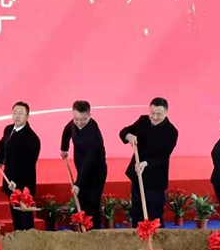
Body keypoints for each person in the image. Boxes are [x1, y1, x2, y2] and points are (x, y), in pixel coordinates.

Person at [120, 98, 179, 227]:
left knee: (154, 214)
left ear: (166, 112)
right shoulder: (143, 121)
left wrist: (146, 163)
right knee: (137, 212)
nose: (155, 117)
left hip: (156, 179)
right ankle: (138, 236)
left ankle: (156, 238)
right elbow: (123, 132)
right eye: (152, 113)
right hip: (138, 175)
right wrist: (128, 136)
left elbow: (163, 156)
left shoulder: (171, 132)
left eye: (159, 114)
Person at [60, 100, 107, 229]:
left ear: (89, 115)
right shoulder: (74, 123)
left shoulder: (93, 136)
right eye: (76, 119)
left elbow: (88, 162)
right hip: (82, 167)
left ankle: (93, 232)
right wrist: (64, 148)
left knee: (91, 203)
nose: (79, 122)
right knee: (81, 201)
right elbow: (67, 130)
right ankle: (82, 230)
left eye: (83, 119)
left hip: (95, 172)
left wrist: (78, 184)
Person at [0, 101, 41, 232]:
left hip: (23, 185)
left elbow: (29, 166)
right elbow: (2, 144)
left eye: (21, 113)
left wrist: (17, 183)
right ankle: (18, 238)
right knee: (15, 214)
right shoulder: (8, 129)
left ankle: (28, 240)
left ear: (27, 116)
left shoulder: (32, 138)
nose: (17, 116)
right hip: (9, 180)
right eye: (15, 112)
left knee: (24, 217)